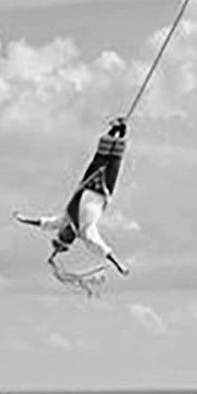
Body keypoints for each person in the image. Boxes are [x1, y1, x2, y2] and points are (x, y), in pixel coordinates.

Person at [15, 117, 132, 277]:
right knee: (114, 162)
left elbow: (45, 222)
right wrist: (120, 266)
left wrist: (24, 219)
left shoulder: (65, 219)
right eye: (67, 237)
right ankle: (123, 130)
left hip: (87, 184)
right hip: (103, 190)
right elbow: (104, 250)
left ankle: (113, 130)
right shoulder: (87, 233)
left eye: (62, 234)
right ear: (72, 239)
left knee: (99, 158)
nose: (65, 233)